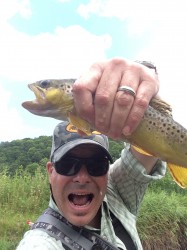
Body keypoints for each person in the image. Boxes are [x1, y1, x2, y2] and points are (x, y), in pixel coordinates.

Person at [16, 58, 166, 250]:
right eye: (68, 164)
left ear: (106, 170)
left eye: (97, 164)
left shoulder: (116, 193)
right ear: (50, 171)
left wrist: (144, 74)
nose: (82, 177)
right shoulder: (39, 243)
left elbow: (159, 137)